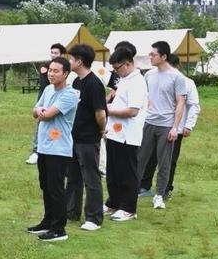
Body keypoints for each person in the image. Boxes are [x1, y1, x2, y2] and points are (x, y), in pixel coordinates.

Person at [27, 56, 78, 242]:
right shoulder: (48, 89)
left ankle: (59, 228)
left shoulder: (70, 94)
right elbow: (35, 110)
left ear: (65, 74)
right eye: (50, 70)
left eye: (56, 71)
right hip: (44, 147)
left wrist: (41, 112)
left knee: (56, 189)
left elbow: (47, 114)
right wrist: (40, 111)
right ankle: (48, 221)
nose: (51, 74)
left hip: (59, 148)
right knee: (46, 186)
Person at [139, 54, 199, 199]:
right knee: (148, 157)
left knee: (169, 160)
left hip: (174, 127)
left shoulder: (186, 82)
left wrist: (188, 125)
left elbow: (194, 105)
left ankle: (165, 189)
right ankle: (144, 186)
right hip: (153, 123)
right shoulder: (152, 76)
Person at [137, 41, 187, 210]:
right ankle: (132, 190)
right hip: (149, 122)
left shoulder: (177, 77)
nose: (150, 57)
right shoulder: (149, 75)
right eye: (150, 54)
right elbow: (146, 99)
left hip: (166, 125)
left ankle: (159, 195)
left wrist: (175, 127)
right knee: (139, 159)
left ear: (164, 56)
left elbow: (180, 103)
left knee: (164, 162)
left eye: (153, 55)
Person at [65, 44, 107, 231]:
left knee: (91, 178)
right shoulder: (76, 82)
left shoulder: (94, 84)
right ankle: (71, 211)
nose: (69, 62)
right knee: (73, 177)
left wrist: (101, 130)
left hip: (88, 139)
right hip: (73, 137)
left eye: (71, 59)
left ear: (80, 61)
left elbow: (101, 114)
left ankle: (94, 217)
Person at [103, 47, 148, 222]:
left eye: (117, 68)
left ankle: (129, 208)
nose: (116, 72)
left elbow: (132, 111)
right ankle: (113, 202)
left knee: (126, 172)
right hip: (114, 132)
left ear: (128, 64)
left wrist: (108, 110)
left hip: (128, 135)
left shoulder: (137, 82)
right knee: (112, 170)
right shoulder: (124, 79)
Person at [26, 43, 67, 165]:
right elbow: (44, 72)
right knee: (41, 122)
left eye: (56, 53)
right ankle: (36, 151)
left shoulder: (66, 69)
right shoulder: (45, 66)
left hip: (59, 99)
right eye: (52, 52)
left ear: (62, 55)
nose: (53, 55)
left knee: (58, 124)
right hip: (44, 99)